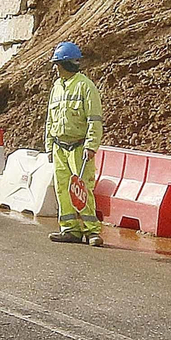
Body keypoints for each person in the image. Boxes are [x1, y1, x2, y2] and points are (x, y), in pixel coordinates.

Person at [45, 41, 104, 246]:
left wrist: (91, 145)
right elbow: (50, 119)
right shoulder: (57, 88)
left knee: (82, 189)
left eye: (57, 64)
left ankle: (92, 231)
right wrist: (49, 144)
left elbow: (94, 120)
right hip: (60, 147)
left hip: (79, 148)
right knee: (62, 189)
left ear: (66, 64)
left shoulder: (85, 86)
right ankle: (70, 229)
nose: (55, 68)